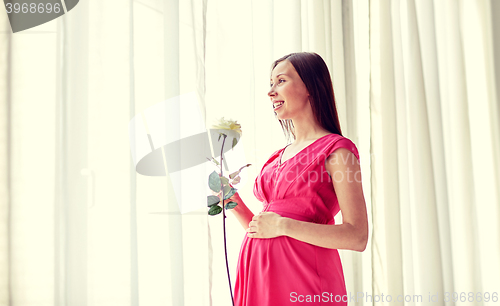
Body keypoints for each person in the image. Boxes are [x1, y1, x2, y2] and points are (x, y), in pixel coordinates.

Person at [224, 52, 369, 306]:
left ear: (310, 87)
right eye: (271, 83)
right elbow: (263, 227)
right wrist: (232, 201)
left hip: (305, 281)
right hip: (259, 276)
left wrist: (282, 226)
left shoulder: (339, 151)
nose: (271, 91)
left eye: (281, 81)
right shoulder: (276, 157)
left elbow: (357, 236)